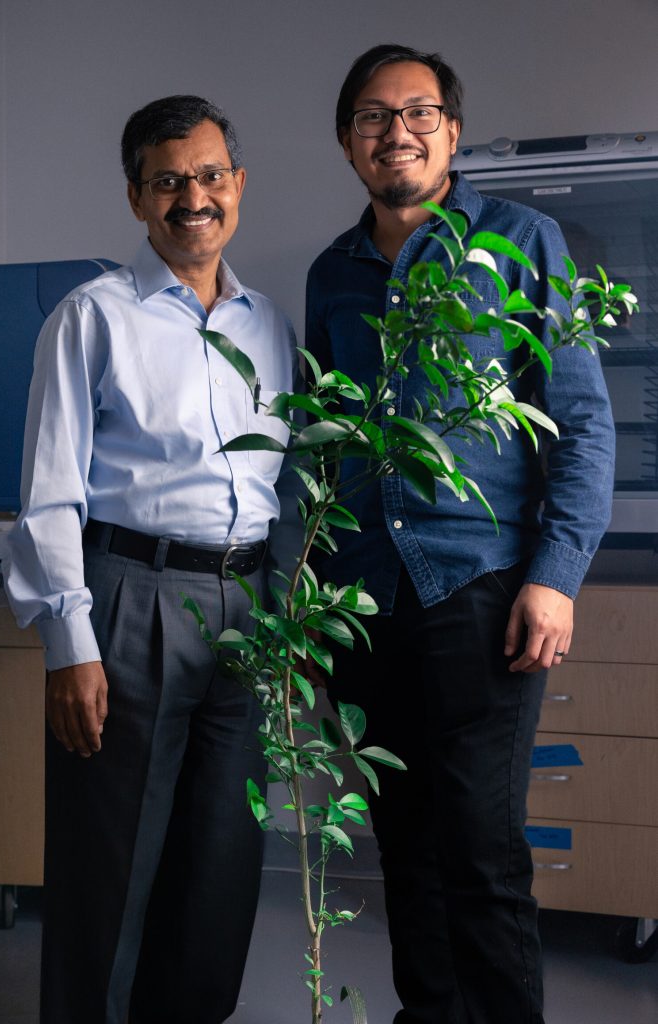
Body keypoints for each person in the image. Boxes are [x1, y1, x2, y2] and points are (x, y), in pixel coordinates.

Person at [305, 45, 615, 1024]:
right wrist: (314, 597)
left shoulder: (521, 241)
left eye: (418, 111)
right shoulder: (332, 273)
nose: (396, 130)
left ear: (451, 130)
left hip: (479, 588)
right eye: (372, 115)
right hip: (365, 599)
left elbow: (581, 421)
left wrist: (555, 574)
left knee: (480, 846)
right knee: (403, 839)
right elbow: (327, 449)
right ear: (348, 139)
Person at [3, 94, 298, 1024]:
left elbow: (283, 487)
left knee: (220, 866)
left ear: (238, 187)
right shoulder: (93, 318)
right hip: (131, 598)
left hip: (247, 607)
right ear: (136, 198)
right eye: (167, 181)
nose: (192, 197)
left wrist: (288, 620)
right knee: (110, 867)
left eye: (210, 176)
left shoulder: (269, 325)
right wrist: (70, 644)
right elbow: (50, 491)